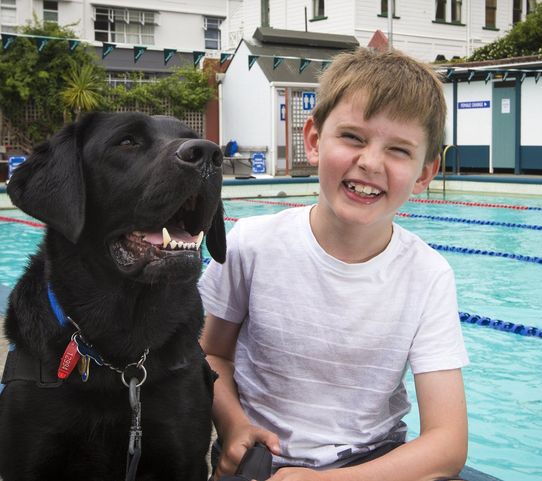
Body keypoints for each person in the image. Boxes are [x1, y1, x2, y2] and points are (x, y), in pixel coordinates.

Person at [199, 47, 469, 481]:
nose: (371, 162)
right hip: (257, 457)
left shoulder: (428, 276)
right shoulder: (252, 246)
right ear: (313, 141)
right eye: (353, 138)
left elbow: (448, 441)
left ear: (425, 173)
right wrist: (233, 426)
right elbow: (211, 353)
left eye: (399, 150)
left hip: (372, 465)